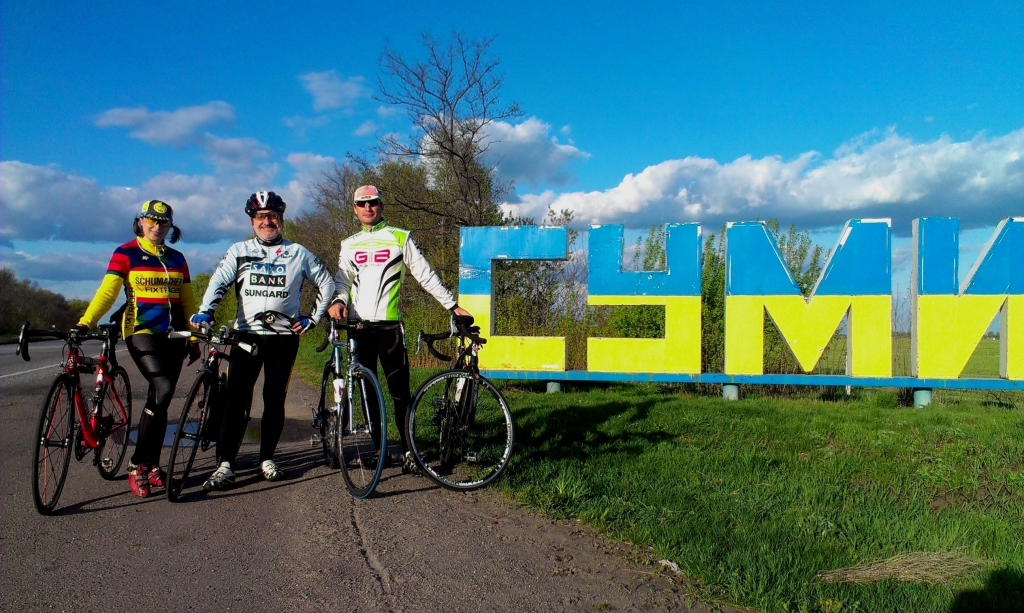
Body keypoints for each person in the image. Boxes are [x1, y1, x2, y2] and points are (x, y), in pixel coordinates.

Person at [193, 191, 335, 490]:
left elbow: (326, 282)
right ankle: (225, 464)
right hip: (247, 335)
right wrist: (207, 310)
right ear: (252, 221)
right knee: (236, 399)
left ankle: (267, 459)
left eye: (272, 216)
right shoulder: (239, 250)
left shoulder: (298, 252)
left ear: (281, 219)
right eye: (261, 217)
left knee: (274, 398)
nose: (267, 221)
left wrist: (312, 318)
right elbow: (219, 280)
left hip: (283, 338)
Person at [327, 185, 472, 474]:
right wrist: (338, 300)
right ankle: (379, 450)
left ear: (381, 205)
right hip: (359, 327)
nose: (368, 208)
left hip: (390, 328)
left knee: (400, 394)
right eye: (362, 204)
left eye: (373, 202)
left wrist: (452, 305)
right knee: (368, 392)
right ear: (355, 209)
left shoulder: (400, 237)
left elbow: (424, 274)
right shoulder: (349, 244)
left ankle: (409, 452)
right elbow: (342, 281)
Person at [78, 200, 195, 498]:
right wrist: (86, 321)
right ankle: (136, 463)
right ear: (141, 221)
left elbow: (187, 300)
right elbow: (107, 293)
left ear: (171, 226)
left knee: (161, 398)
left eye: (163, 222)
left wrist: (193, 337)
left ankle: (152, 465)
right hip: (141, 331)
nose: (157, 226)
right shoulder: (125, 252)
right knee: (163, 386)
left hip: (175, 334)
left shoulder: (177, 258)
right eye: (151, 220)